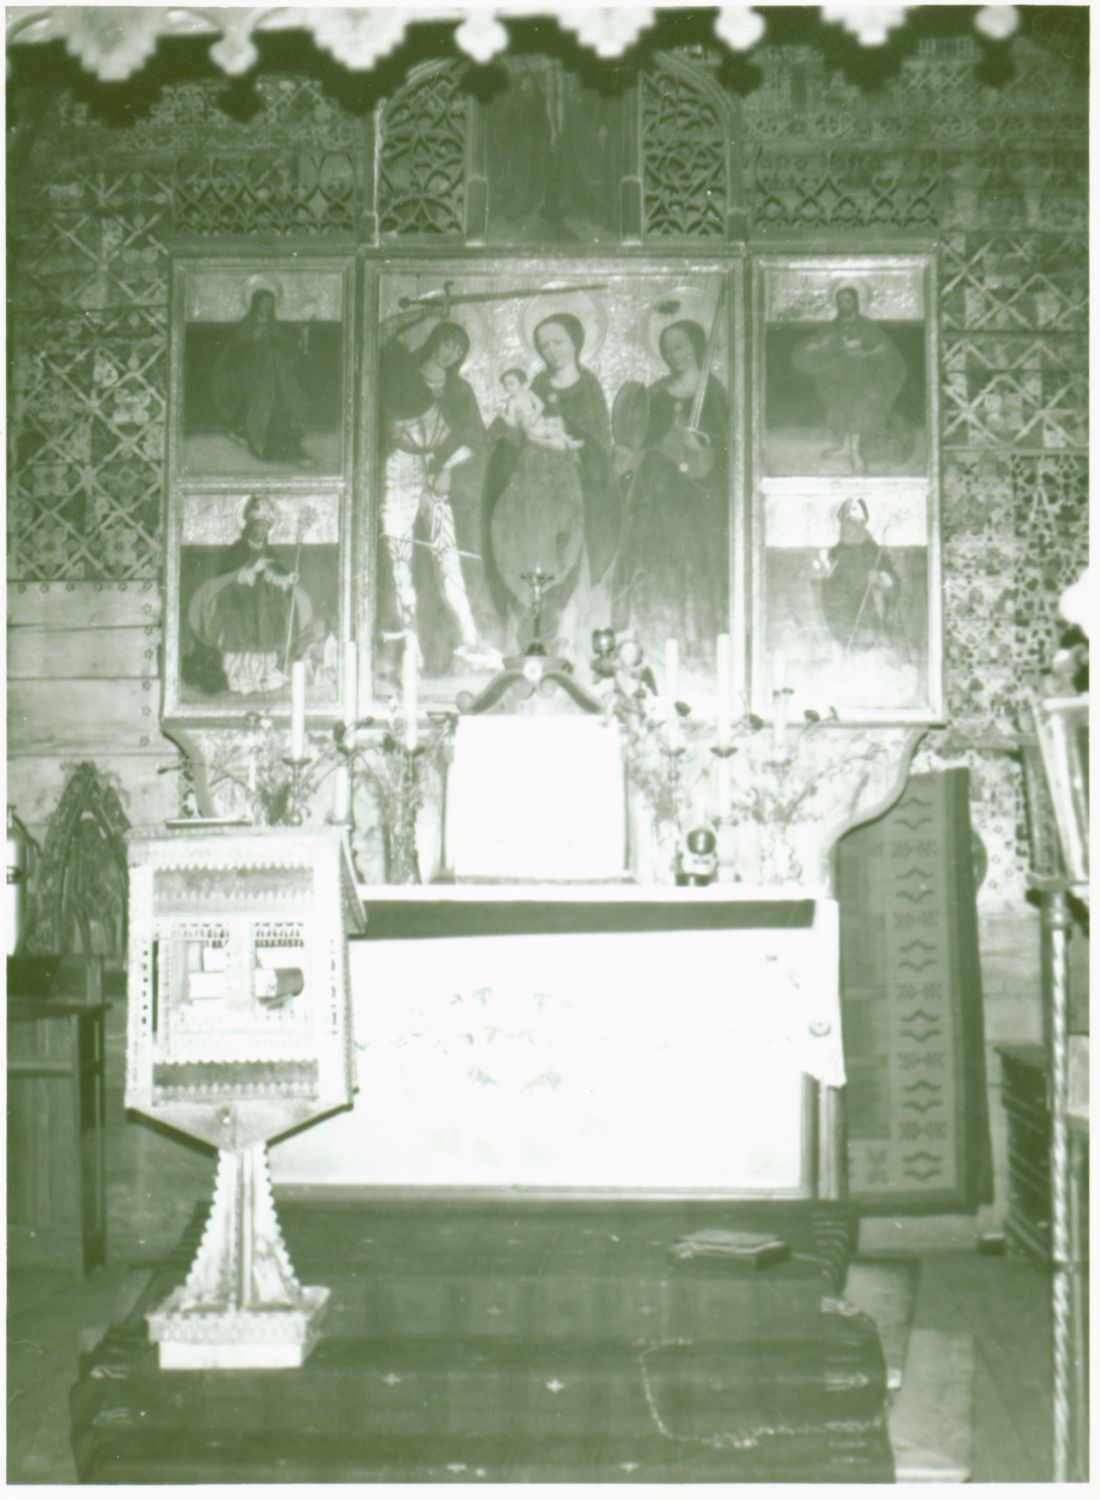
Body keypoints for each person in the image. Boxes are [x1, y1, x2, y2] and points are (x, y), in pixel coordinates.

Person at [482, 312, 620, 653]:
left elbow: (599, 445)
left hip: (576, 485)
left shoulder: (589, 388)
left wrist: (567, 433)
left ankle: (567, 628)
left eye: (558, 341)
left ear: (576, 342)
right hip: (534, 489)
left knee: (568, 544)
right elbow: (510, 435)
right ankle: (528, 621)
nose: (551, 350)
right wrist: (511, 431)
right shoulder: (537, 385)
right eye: (544, 345)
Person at [379, 315, 500, 671]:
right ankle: (407, 642)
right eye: (447, 344)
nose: (450, 353)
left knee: (447, 555)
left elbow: (474, 438)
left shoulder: (458, 390)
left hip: (436, 469)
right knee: (398, 554)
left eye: (458, 350)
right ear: (435, 341)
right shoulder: (403, 375)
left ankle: (469, 639)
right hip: (399, 466)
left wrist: (447, 467)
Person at [611, 319, 729, 660]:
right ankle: (655, 641)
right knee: (656, 563)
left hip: (697, 498)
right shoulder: (655, 393)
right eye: (667, 349)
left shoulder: (713, 390)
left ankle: (699, 642)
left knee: (695, 563)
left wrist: (702, 444)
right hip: (655, 495)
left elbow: (727, 445)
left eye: (680, 346)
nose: (674, 354)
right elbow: (637, 436)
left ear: (696, 346)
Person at [189, 494, 308, 695]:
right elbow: (227, 579)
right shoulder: (237, 550)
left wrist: (287, 579)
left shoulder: (270, 552)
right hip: (239, 606)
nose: (262, 531)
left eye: (266, 527)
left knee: (265, 638)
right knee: (241, 642)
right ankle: (239, 677)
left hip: (264, 608)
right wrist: (252, 568)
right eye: (259, 526)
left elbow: (274, 576)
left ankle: (265, 675)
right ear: (250, 527)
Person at [791, 286, 908, 475]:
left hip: (862, 377)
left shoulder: (866, 325)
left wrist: (864, 350)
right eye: (840, 301)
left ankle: (855, 451)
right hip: (836, 377)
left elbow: (884, 346)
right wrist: (824, 345)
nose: (844, 305)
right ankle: (845, 446)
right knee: (840, 406)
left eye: (847, 301)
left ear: (856, 302)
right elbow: (815, 343)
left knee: (856, 405)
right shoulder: (832, 326)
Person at [210, 288, 314, 466]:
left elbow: (285, 343)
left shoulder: (272, 323)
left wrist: (302, 337)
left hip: (274, 375)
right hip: (253, 375)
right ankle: (270, 448)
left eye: (270, 302)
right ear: (256, 303)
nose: (267, 306)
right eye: (264, 302)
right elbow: (235, 348)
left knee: (282, 406)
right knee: (264, 407)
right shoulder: (249, 322)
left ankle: (289, 448)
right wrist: (252, 339)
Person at [811, 497, 903, 655]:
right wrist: (823, 577)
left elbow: (892, 582)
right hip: (841, 620)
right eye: (845, 522)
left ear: (862, 523)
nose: (848, 528)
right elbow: (826, 586)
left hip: (868, 618)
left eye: (853, 522)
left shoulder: (874, 552)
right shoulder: (835, 553)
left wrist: (879, 578)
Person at [498, 368, 581, 452]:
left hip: (539, 420)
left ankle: (568, 440)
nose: (507, 387)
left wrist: (534, 416)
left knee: (557, 423)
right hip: (530, 428)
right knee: (549, 431)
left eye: (511, 383)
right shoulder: (512, 402)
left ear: (521, 383)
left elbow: (540, 405)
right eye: (505, 385)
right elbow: (512, 422)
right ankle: (567, 443)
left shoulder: (529, 393)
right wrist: (503, 415)